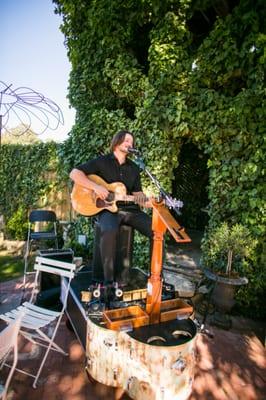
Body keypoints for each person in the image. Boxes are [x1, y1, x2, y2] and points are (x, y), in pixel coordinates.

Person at [69, 130, 152, 294]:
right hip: (109, 210)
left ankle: (155, 277)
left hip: (130, 210)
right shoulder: (102, 162)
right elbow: (74, 173)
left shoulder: (135, 168)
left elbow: (137, 194)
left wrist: (149, 201)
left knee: (156, 230)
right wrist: (96, 187)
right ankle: (107, 282)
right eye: (126, 140)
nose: (130, 144)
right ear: (117, 142)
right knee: (109, 229)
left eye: (131, 142)